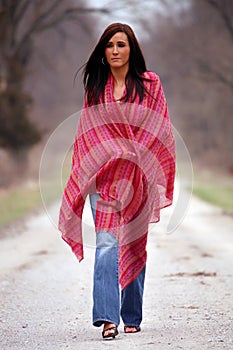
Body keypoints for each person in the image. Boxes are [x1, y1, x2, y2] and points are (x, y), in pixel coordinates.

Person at [59, 23, 176, 340]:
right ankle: (108, 318)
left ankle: (132, 314)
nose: (114, 50)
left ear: (131, 48)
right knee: (108, 245)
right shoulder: (96, 88)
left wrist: (140, 158)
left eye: (121, 44)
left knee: (134, 243)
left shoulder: (151, 84)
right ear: (103, 51)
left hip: (137, 178)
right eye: (109, 45)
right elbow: (88, 135)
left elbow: (159, 129)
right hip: (104, 180)